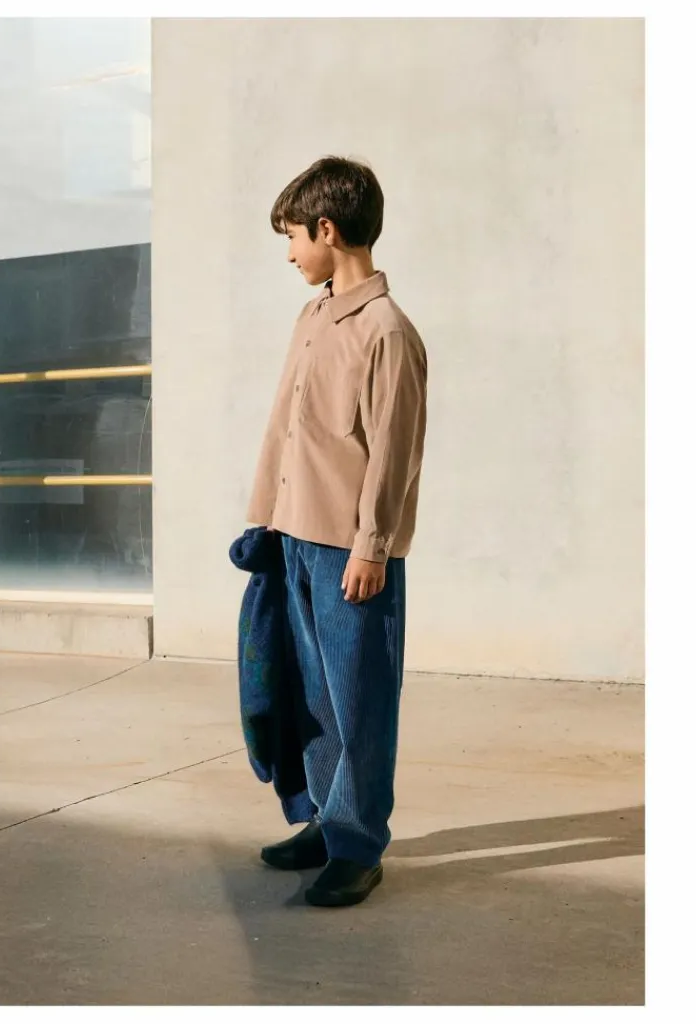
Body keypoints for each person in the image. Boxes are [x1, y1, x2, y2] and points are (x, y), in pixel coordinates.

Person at [245, 156, 428, 907]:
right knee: (312, 697)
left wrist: (372, 546)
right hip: (293, 536)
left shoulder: (387, 332)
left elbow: (394, 451)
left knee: (360, 703)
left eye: (293, 237)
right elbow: (284, 427)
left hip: (351, 553)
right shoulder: (313, 319)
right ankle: (325, 820)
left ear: (327, 230)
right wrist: (265, 516)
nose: (289, 253)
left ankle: (358, 846)